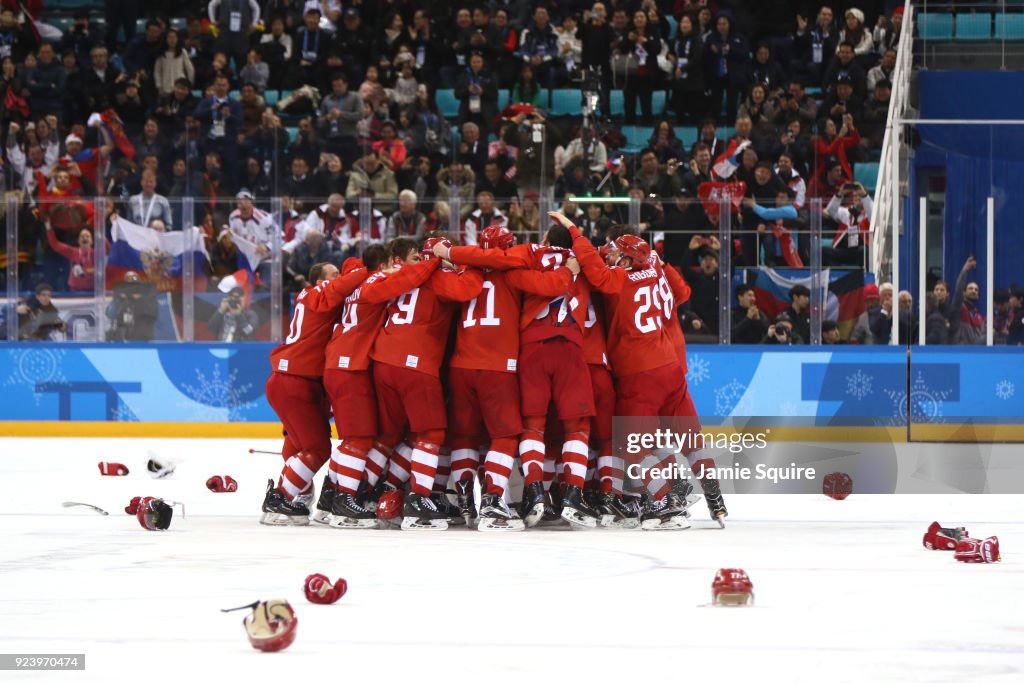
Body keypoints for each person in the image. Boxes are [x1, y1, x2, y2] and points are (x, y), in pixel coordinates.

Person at [553, 210, 728, 527]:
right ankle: (713, 495)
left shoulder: (618, 278)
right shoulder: (658, 269)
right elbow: (683, 293)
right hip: (670, 365)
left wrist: (575, 233)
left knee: (634, 446)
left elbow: (597, 272)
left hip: (638, 371)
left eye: (617, 252)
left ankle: (664, 502)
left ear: (627, 259)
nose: (612, 255)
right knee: (690, 439)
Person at [260, 260, 372, 526]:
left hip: (290, 379)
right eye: (333, 274)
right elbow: (347, 282)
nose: (339, 277)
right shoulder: (319, 292)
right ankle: (281, 496)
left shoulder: (310, 296)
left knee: (298, 443)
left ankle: (295, 494)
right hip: (295, 381)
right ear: (321, 279)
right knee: (318, 448)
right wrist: (360, 271)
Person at [44, 221, 97, 293]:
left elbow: (109, 250)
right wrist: (48, 228)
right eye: (82, 236)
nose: (85, 238)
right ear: (78, 240)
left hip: (93, 292)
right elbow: (55, 245)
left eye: (87, 236)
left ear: (92, 241)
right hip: (74, 291)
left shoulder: (97, 253)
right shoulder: (72, 252)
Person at [106, 271, 158, 341]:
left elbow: (152, 314)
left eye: (133, 278)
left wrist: (141, 299)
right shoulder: (120, 298)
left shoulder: (148, 297)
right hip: (122, 337)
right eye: (128, 279)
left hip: (141, 336)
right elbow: (110, 314)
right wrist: (119, 300)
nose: (130, 281)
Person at [950, 256, 985, 345]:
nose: (973, 291)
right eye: (970, 288)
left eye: (976, 290)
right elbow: (958, 291)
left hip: (975, 353)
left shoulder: (978, 315)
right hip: (960, 352)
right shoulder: (958, 307)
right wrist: (965, 270)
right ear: (964, 293)